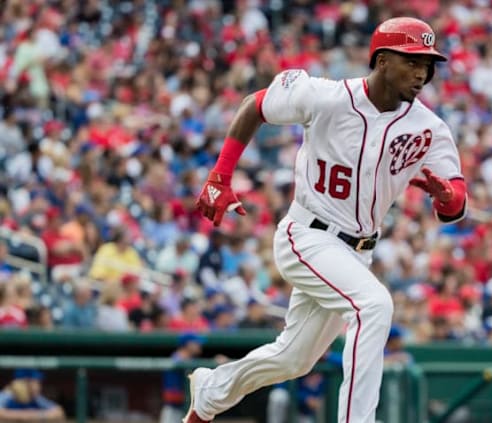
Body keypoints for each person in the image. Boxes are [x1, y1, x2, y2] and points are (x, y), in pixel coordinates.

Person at [186, 16, 467, 423]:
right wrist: (219, 176)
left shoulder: (428, 128)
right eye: (412, 60)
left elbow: (455, 203)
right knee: (374, 306)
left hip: (358, 252)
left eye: (428, 64)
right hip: (308, 234)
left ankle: (212, 392)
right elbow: (256, 105)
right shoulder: (325, 96)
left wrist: (448, 196)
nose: (422, 72)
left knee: (292, 359)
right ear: (383, 59)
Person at [160, 333, 206, 423]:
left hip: (185, 408)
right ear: (188, 344)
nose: (200, 345)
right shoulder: (176, 360)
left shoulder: (191, 361)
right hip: (174, 409)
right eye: (196, 343)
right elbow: (170, 394)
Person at [0, 369, 65, 421]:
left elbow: (59, 412)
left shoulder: (36, 398)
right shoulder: (7, 394)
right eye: (34, 382)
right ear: (21, 382)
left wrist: (32, 415)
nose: (39, 386)